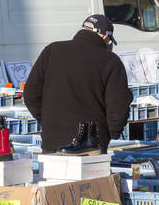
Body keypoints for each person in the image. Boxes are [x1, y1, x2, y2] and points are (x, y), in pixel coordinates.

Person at [24, 14, 132, 153]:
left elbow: (30, 95)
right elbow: (118, 107)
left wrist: (48, 121)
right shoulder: (110, 61)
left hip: (52, 142)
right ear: (106, 37)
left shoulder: (52, 50)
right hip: (91, 146)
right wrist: (110, 135)